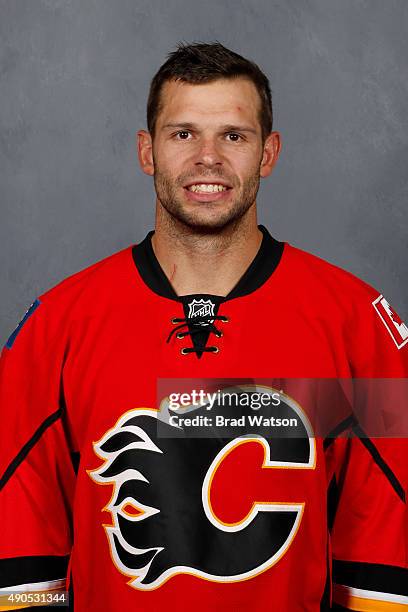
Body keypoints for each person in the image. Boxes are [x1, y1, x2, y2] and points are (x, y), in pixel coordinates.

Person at [0, 42, 407, 612]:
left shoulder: (357, 325)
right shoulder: (58, 326)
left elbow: (386, 559)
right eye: (183, 133)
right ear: (148, 151)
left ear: (269, 152)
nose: (207, 157)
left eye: (234, 136)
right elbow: (21, 556)